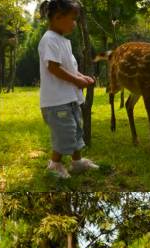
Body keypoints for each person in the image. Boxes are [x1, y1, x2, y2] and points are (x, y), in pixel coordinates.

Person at [38, 0, 98, 179]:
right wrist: (77, 81)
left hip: (69, 98)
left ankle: (77, 163)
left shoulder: (63, 41)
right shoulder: (49, 40)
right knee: (65, 133)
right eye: (73, 19)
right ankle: (54, 165)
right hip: (56, 101)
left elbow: (69, 67)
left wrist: (81, 77)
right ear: (58, 17)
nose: (75, 23)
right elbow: (54, 68)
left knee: (75, 131)